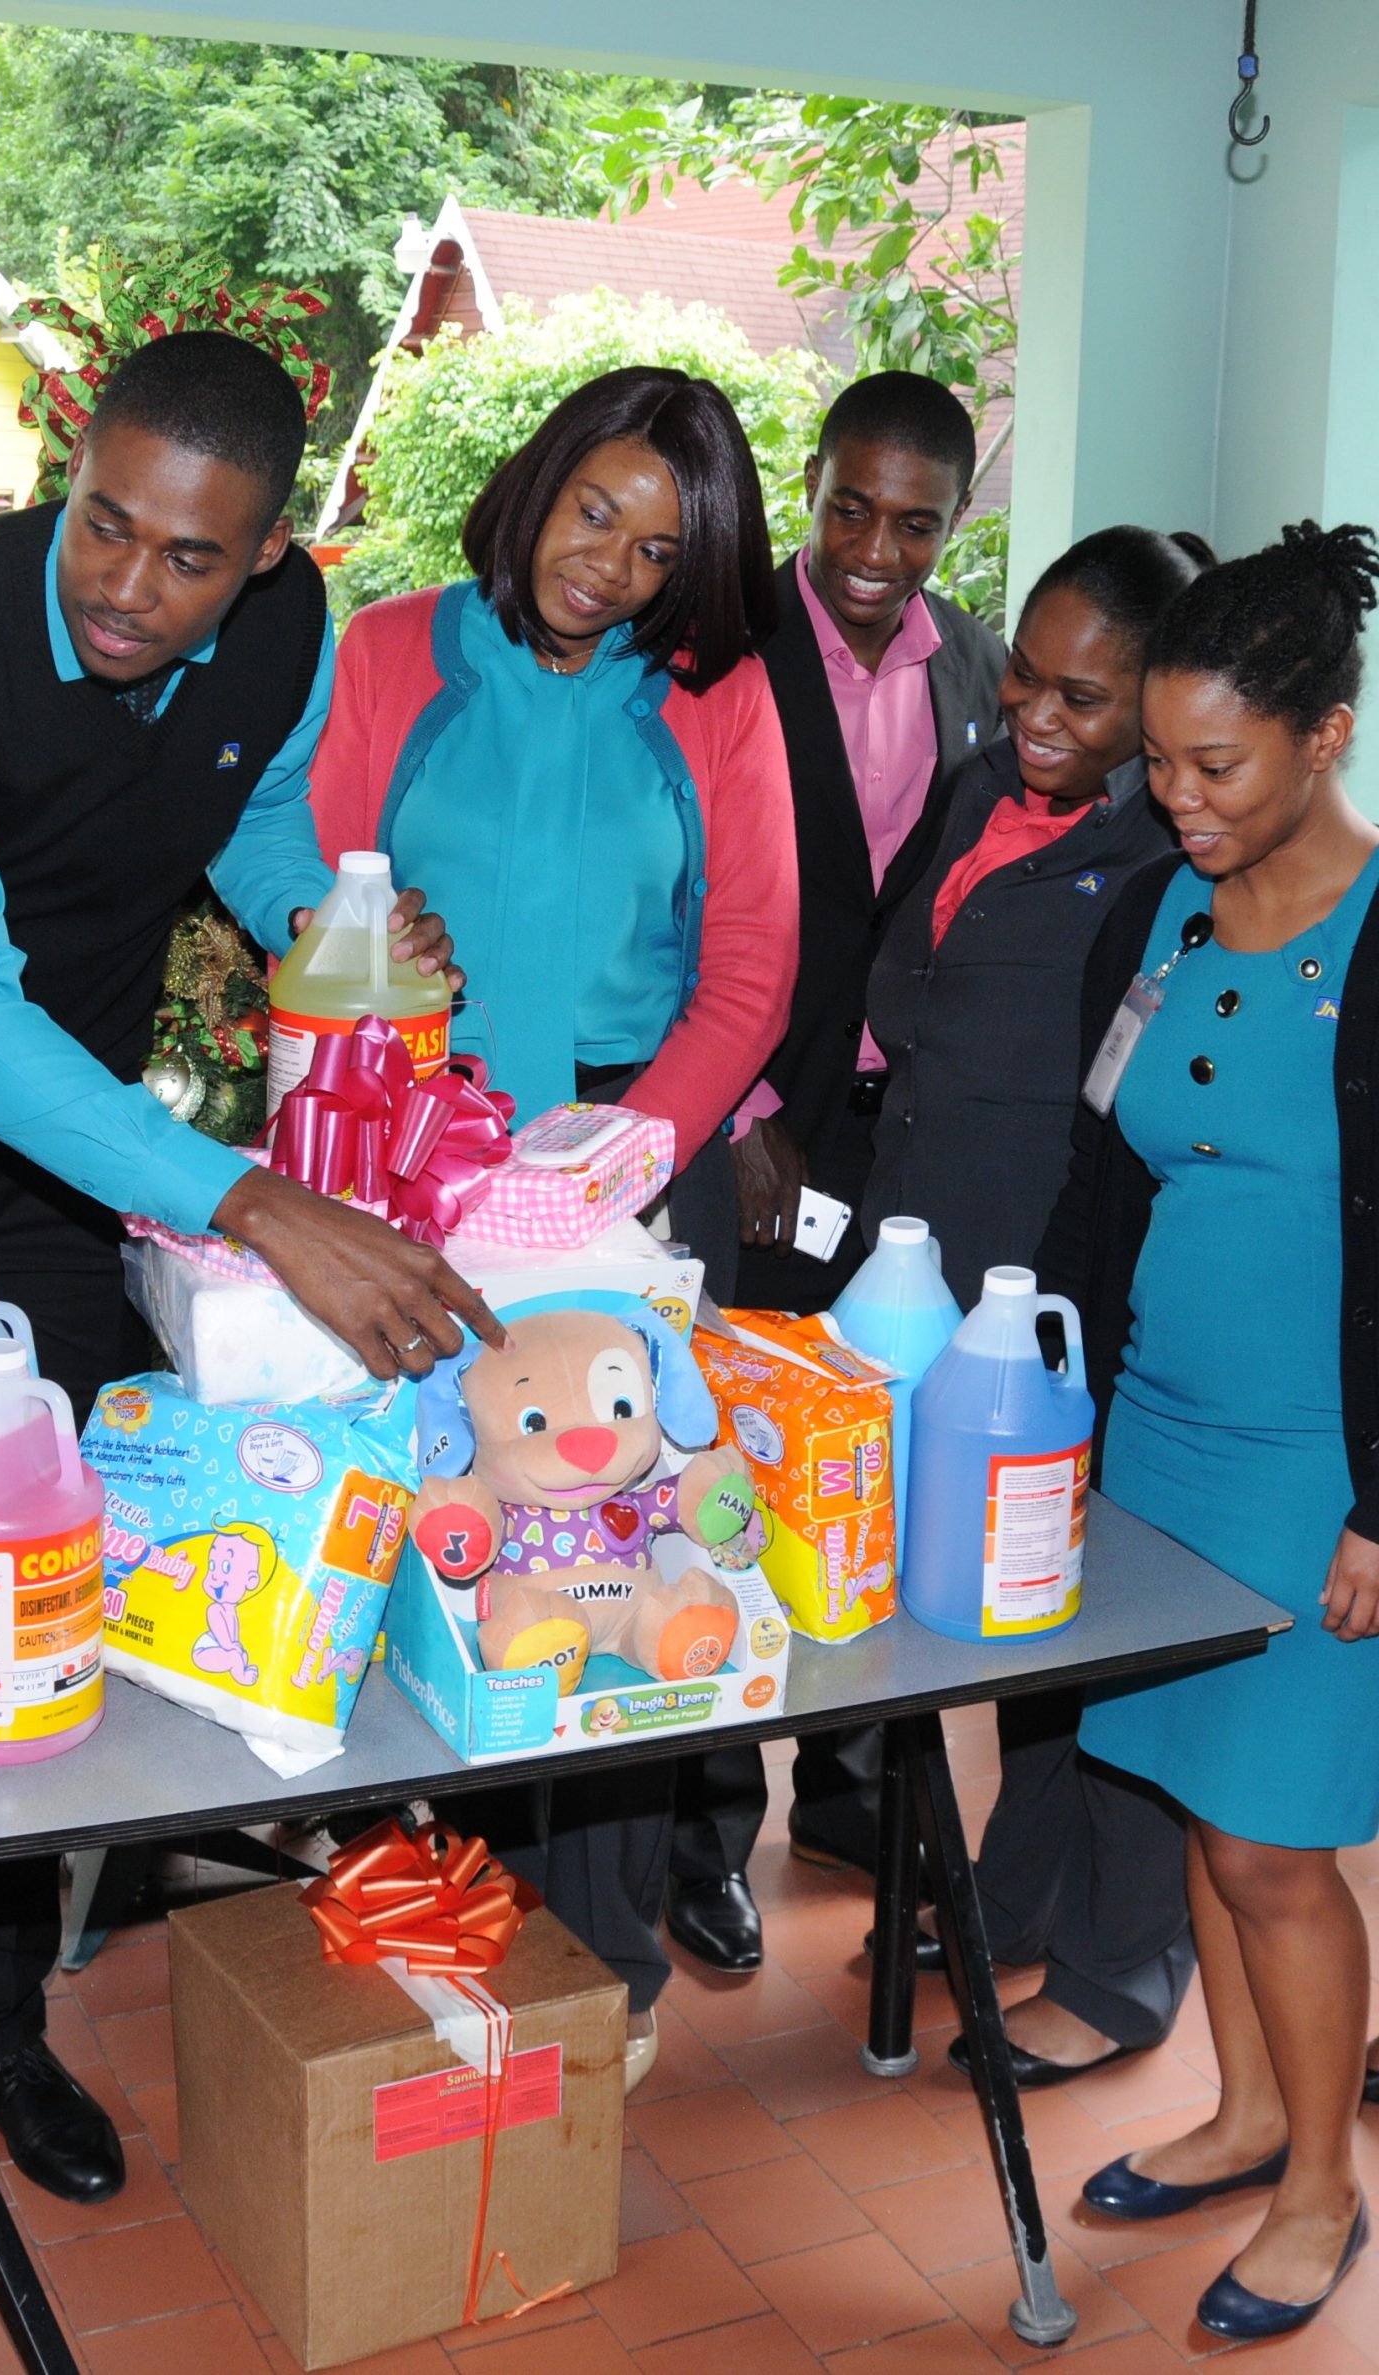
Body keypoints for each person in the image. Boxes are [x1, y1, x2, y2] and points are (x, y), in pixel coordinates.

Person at [0, 329, 493, 2205]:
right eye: (104, 527)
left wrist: (333, 926)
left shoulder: (290, 626)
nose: (128, 587)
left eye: (189, 557)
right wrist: (246, 1196)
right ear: (73, 467)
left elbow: (251, 823)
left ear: (269, 548)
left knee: (58, 1550)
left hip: (73, 1154)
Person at [308, 363, 797, 2080]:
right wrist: (369, 939)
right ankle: (466, 1927)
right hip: (424, 1186)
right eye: (597, 511)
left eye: (663, 548)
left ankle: (607, 1977)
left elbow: (751, 965)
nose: (615, 565)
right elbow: (314, 889)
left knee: (608, 1565)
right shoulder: (385, 651)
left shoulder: (715, 697)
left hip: (626, 1196)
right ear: (534, 483)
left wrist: (625, 1155)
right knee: (453, 1552)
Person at [1047, 521, 1379, 2342]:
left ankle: (1325, 2190)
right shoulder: (1156, 913)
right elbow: (1098, 1186)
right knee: (1197, 1791)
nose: (1171, 795)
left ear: (1326, 735)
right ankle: (1246, 2113)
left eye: (1214, 765)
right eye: (1158, 759)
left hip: (1331, 1466)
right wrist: (1056, 1408)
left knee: (1274, 1844)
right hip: (1161, 1440)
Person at [672, 371, 1010, 1974]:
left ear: (958, 519)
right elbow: (685, 906)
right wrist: (737, 1113)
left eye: (916, 518)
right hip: (758, 1121)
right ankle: (706, 1825)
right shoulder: (724, 648)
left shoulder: (984, 678)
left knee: (876, 1430)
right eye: (850, 506)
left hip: (901, 1139)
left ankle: (856, 1787)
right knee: (732, 1450)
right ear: (809, 487)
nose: (876, 547)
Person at [861, 527, 1204, 2083]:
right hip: (923, 1276)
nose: (1039, 719)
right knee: (985, 1617)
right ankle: (1007, 1899)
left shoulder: (1173, 865)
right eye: (1025, 681)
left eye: (1086, 698)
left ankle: (1126, 1962)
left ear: (1160, 706)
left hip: (1055, 1304)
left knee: (1088, 1624)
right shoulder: (973, 790)